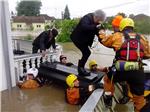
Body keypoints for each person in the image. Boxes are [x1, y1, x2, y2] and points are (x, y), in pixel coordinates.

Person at [99, 17, 150, 112]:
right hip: (137, 72)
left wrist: (100, 32)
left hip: (120, 70)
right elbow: (147, 55)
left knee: (107, 79)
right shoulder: (143, 38)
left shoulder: (117, 36)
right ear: (132, 26)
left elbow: (104, 41)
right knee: (139, 100)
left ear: (121, 26)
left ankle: (108, 99)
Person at [70, 9, 106, 76]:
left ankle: (81, 68)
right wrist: (96, 27)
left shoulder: (97, 23)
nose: (98, 22)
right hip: (77, 39)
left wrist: (104, 40)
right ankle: (80, 69)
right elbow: (84, 27)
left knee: (86, 53)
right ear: (96, 17)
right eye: (98, 20)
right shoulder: (87, 17)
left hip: (84, 40)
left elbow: (99, 33)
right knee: (87, 52)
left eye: (99, 21)